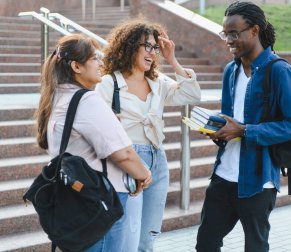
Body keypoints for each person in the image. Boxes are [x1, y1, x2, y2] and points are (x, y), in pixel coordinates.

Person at [196, 2, 291, 252]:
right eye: (226, 34)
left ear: (255, 30)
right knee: (205, 243)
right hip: (224, 175)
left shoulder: (279, 71)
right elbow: (228, 119)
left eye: (234, 33)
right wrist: (217, 130)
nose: (228, 40)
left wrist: (245, 131)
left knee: (255, 247)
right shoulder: (230, 71)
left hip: (258, 180)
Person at [35, 34, 152, 252]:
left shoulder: (58, 96)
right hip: (100, 200)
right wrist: (143, 174)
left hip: (76, 197)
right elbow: (122, 154)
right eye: (95, 58)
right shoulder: (87, 100)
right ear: (76, 66)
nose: (101, 63)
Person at [96, 19, 201, 251]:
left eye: (155, 47)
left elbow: (191, 95)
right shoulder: (108, 83)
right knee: (128, 235)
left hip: (157, 160)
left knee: (147, 237)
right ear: (130, 46)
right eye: (147, 46)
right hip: (126, 161)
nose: (153, 52)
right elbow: (99, 130)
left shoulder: (158, 82)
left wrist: (172, 59)